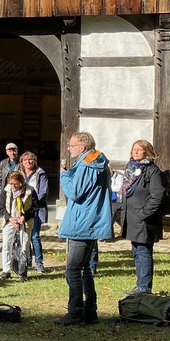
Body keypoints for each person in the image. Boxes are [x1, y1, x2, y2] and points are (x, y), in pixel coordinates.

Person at [55, 131, 113, 326]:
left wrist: (63, 176)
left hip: (82, 222)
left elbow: (75, 192)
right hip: (89, 220)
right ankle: (90, 310)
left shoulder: (88, 164)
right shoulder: (93, 162)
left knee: (72, 269)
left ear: (83, 147)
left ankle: (76, 312)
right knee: (85, 268)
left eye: (71, 145)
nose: (69, 148)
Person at [118, 139, 165, 295]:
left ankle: (144, 288)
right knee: (137, 252)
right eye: (134, 149)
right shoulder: (131, 168)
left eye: (139, 149)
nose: (136, 152)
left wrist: (143, 213)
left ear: (148, 152)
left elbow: (157, 196)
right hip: (132, 218)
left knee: (144, 252)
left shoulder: (152, 171)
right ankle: (140, 285)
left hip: (144, 220)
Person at [0, 170, 35, 281]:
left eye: (15, 183)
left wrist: (25, 216)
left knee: (24, 246)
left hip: (24, 222)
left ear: (21, 182)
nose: (13, 186)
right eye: (11, 183)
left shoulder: (30, 190)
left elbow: (35, 207)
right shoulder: (6, 190)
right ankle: (6, 270)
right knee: (7, 245)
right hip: (10, 220)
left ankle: (22, 272)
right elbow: (1, 206)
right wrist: (9, 218)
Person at [19, 151, 49, 273]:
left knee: (35, 236)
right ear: (22, 162)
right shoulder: (19, 173)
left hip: (36, 208)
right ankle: (26, 260)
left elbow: (43, 192)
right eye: (25, 160)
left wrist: (32, 203)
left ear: (34, 161)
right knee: (25, 235)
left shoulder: (40, 174)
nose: (28, 162)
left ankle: (39, 262)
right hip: (21, 209)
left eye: (30, 159)